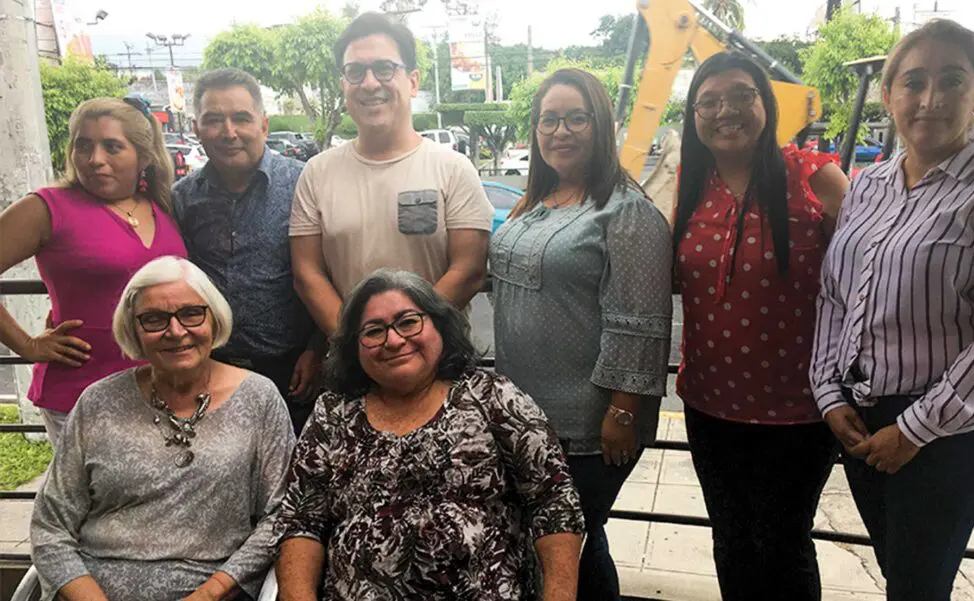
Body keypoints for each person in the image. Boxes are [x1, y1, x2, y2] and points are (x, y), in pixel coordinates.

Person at [810, 20, 974, 601]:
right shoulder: (869, 184)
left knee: (916, 586)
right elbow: (835, 294)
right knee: (902, 575)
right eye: (913, 82)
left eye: (951, 80)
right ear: (889, 95)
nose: (929, 99)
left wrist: (914, 429)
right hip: (860, 420)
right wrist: (828, 394)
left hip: (946, 432)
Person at [273, 269, 584, 601]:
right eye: (374, 331)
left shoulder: (492, 397)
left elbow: (554, 502)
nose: (393, 341)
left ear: (440, 326)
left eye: (408, 322)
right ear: (355, 347)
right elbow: (300, 522)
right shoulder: (333, 413)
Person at [490, 68, 673, 601]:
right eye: (549, 119)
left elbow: (638, 323)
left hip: (590, 429)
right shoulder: (535, 203)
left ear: (601, 126)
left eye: (576, 118)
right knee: (546, 546)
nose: (561, 131)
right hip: (524, 420)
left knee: (574, 546)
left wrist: (622, 413)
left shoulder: (626, 212)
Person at [672, 52, 850, 601]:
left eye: (741, 96)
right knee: (731, 542)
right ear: (694, 115)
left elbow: (868, 280)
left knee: (784, 545)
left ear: (766, 105)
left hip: (798, 412)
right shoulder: (689, 182)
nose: (726, 110)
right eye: (709, 101)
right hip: (709, 405)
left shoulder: (813, 177)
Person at [31, 256, 295, 601]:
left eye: (191, 314)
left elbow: (280, 515)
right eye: (154, 319)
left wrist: (210, 593)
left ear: (214, 319)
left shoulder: (259, 398)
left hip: (212, 591)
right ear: (134, 331)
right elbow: (51, 525)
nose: (175, 331)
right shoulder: (98, 402)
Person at [290, 13, 493, 334]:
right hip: (352, 364)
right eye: (355, 72)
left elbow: (468, 269)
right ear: (344, 85)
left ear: (413, 81)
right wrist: (356, 343)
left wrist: (407, 335)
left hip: (439, 360)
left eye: (384, 68)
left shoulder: (453, 169)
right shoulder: (317, 173)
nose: (370, 83)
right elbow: (307, 272)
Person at [0, 97, 187, 447]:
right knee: (93, 501)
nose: (95, 159)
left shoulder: (162, 205)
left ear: (143, 157)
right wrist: (27, 345)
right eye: (82, 145)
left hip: (161, 389)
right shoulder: (47, 208)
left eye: (112, 147)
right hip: (81, 393)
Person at [173, 68, 320, 434]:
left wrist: (319, 349)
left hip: (295, 369)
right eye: (213, 120)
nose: (228, 132)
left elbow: (328, 269)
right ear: (196, 128)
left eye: (241, 118)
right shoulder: (183, 198)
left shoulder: (304, 183)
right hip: (210, 367)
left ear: (264, 125)